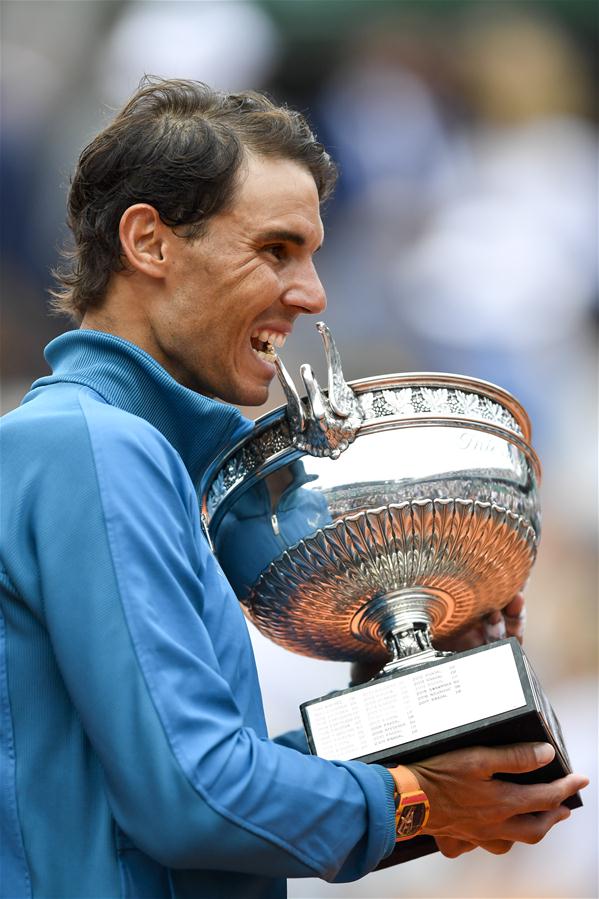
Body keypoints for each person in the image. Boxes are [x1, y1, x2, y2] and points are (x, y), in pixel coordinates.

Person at [0, 78, 587, 899]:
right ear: (150, 242)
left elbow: (169, 796)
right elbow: (191, 800)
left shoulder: (129, 456)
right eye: (275, 250)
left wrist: (418, 709)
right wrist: (416, 801)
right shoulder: (90, 446)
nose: (311, 294)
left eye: (311, 253)